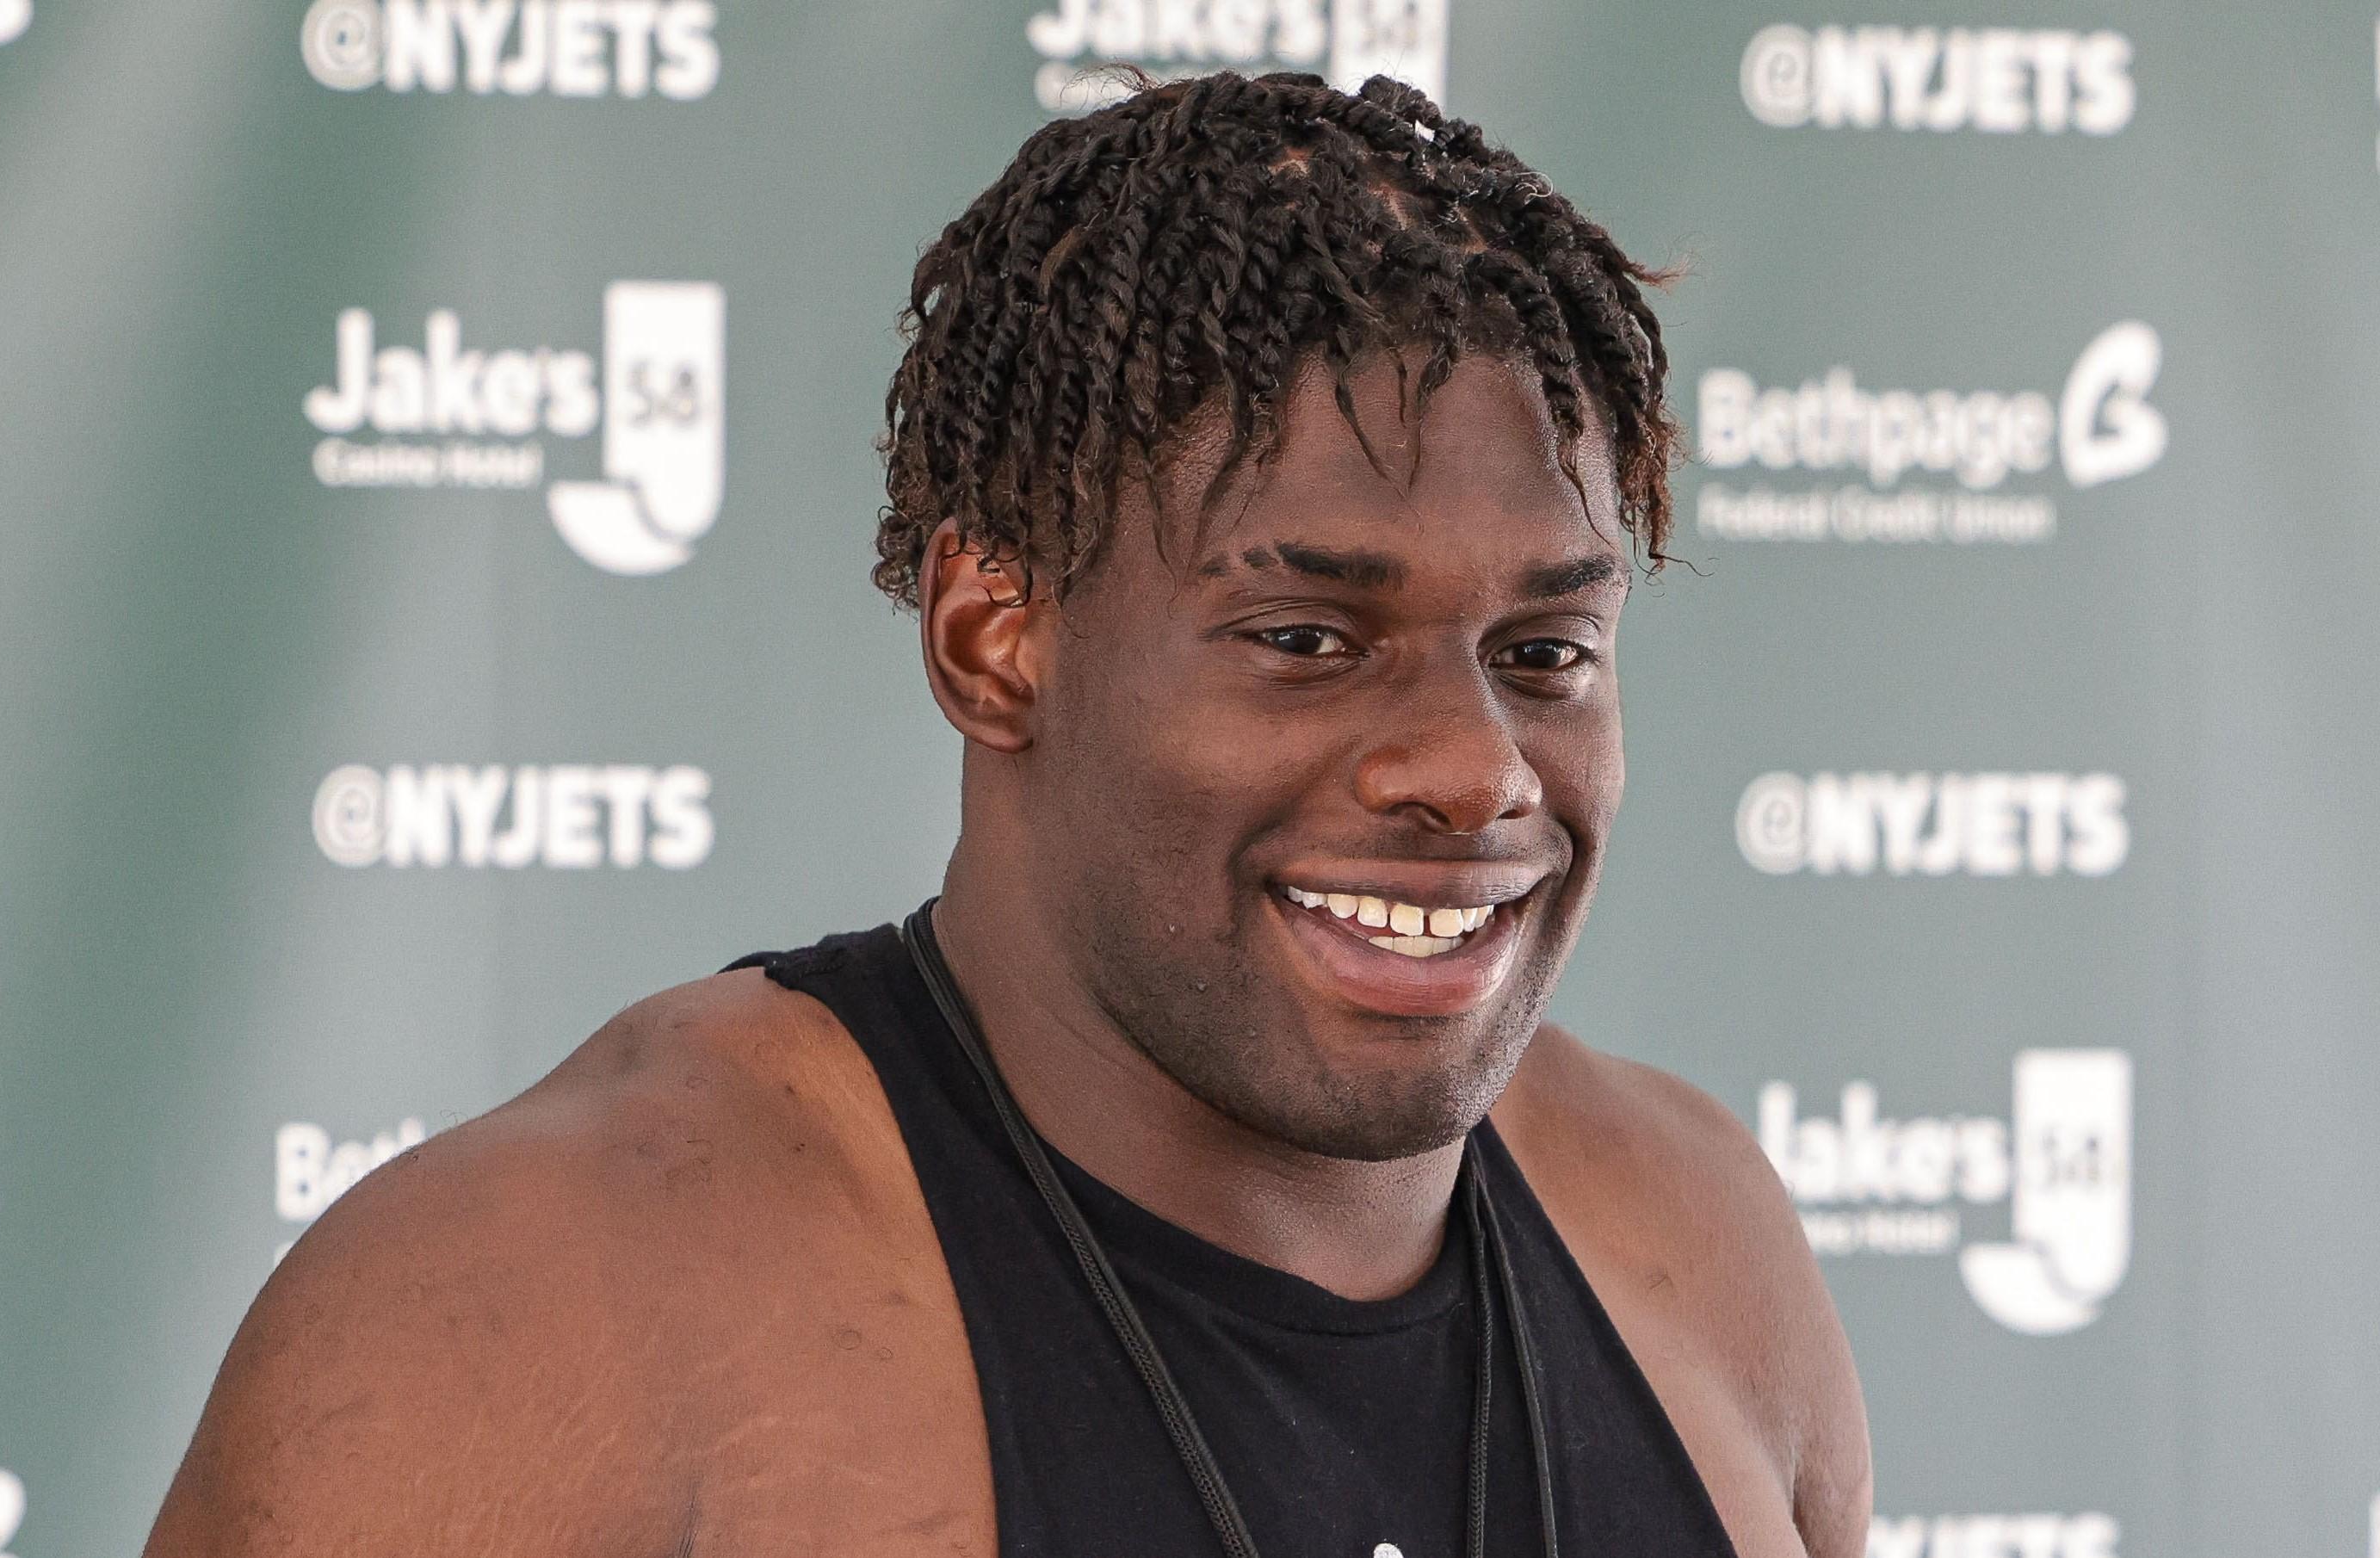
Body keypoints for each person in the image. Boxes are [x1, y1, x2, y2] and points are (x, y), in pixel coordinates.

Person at [145, 70, 1870, 1558]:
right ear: (995, 635)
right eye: (1304, 638)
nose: (1472, 765)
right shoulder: (545, 1297)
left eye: (1544, 649)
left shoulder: (1700, 1233)